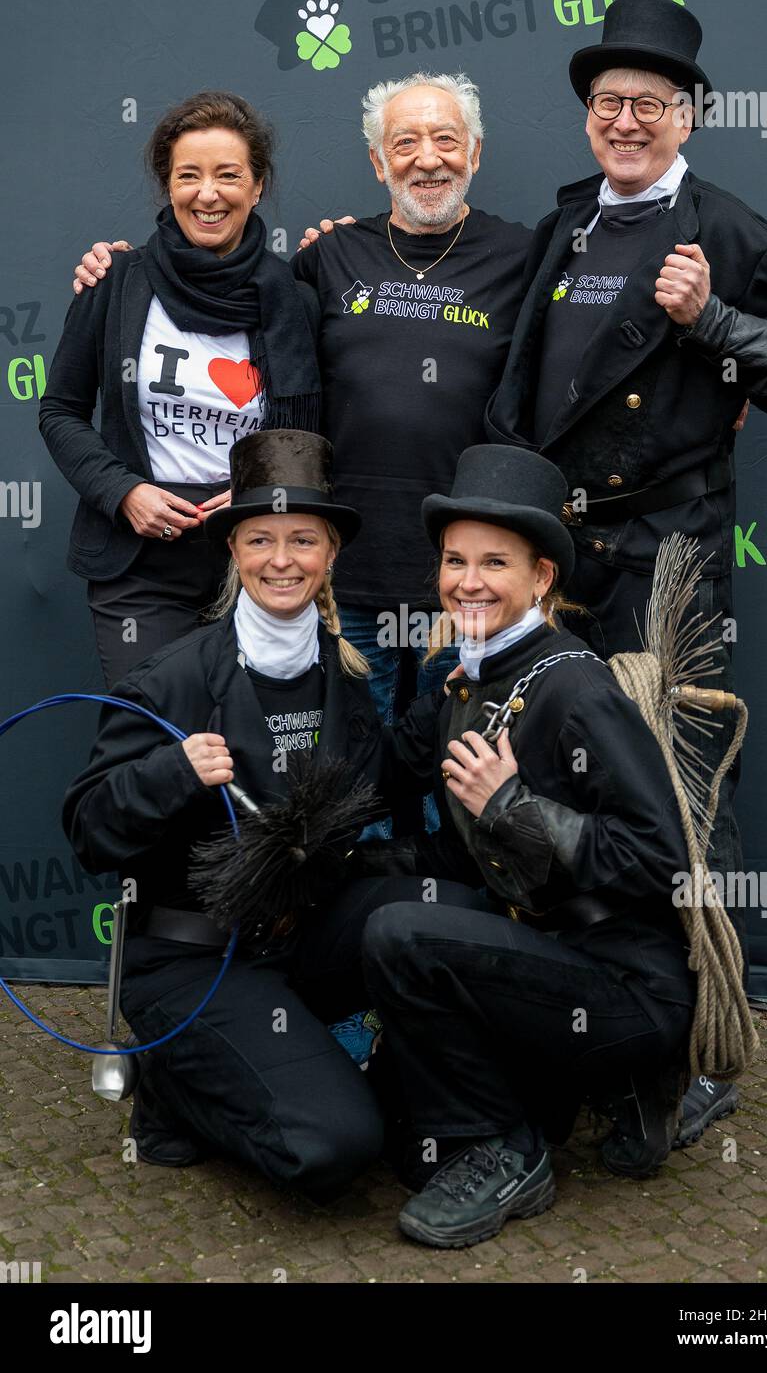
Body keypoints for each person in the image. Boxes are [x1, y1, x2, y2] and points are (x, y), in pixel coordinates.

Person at [484, 0, 767, 1143]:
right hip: (563, 555)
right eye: (607, 103)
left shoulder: (726, 230)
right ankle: (592, 1020)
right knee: (566, 785)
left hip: (666, 555)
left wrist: (717, 323)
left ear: (689, 114)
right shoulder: (565, 229)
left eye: (648, 103)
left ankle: (707, 1045)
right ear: (588, 118)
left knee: (683, 793)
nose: (626, 121)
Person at [69, 73, 533, 828]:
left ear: (475, 153)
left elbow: (587, 347)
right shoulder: (328, 259)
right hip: (348, 582)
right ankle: (361, 933)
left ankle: (449, 935)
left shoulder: (524, 255)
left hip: (464, 583)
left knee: (461, 790)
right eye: (404, 143)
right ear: (379, 164)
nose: (427, 159)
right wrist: (106, 270)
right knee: (351, 794)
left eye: (446, 139)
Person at [62, 429, 482, 1200]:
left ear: (330, 555)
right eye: (260, 539)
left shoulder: (342, 677)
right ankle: (172, 1083)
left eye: (302, 541)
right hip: (192, 960)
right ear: (234, 552)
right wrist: (171, 772)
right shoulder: (172, 679)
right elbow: (90, 830)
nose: (281, 560)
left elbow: (380, 782)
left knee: (449, 911)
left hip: (296, 944)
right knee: (337, 1146)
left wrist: (459, 689)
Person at [359, 444, 702, 1248]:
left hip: (628, 985)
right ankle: (601, 1092)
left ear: (541, 577)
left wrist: (518, 808)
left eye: (494, 563)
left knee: (400, 935)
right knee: (402, 1133)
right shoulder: (470, 678)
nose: (467, 581)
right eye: (454, 560)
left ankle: (509, 1150)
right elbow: (454, 849)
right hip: (544, 963)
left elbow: (663, 861)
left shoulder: (576, 685)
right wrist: (348, 862)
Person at [41, 91, 320, 688]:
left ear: (258, 185)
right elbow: (61, 410)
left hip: (255, 559)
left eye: (228, 175)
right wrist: (123, 492)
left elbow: (311, 435)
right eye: (188, 175)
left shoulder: (294, 299)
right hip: (138, 565)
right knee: (156, 733)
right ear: (167, 185)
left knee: (244, 742)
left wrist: (259, 489)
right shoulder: (114, 282)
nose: (207, 193)